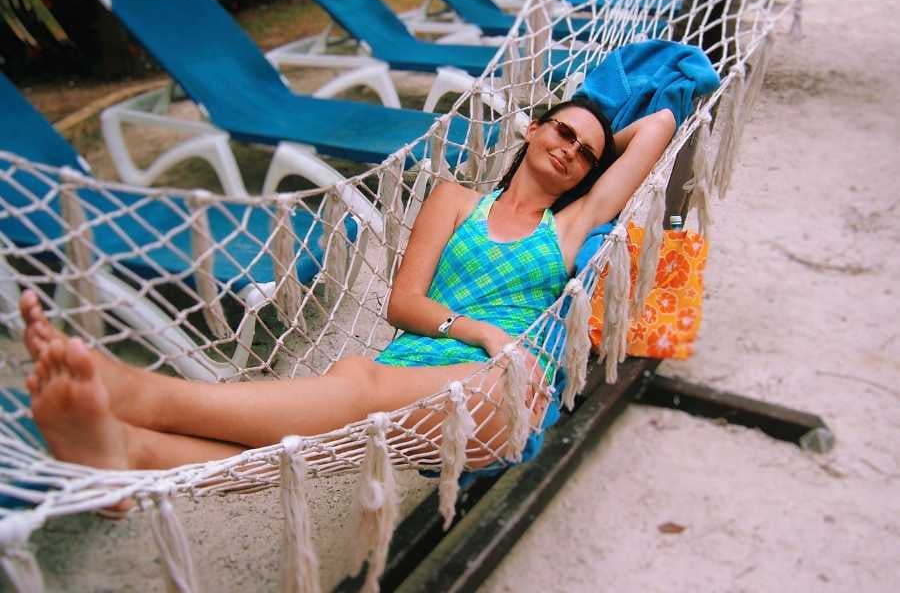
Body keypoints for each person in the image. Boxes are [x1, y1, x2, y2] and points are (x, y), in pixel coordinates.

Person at [19, 98, 675, 475]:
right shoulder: (456, 200)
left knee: (355, 391)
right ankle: (131, 454)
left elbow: (662, 125)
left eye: (585, 153)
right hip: (418, 365)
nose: (570, 150)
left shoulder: (567, 227)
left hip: (500, 388)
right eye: (561, 131)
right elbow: (403, 303)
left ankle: (141, 393)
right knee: (323, 435)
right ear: (531, 127)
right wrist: (479, 329)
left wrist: (595, 145)